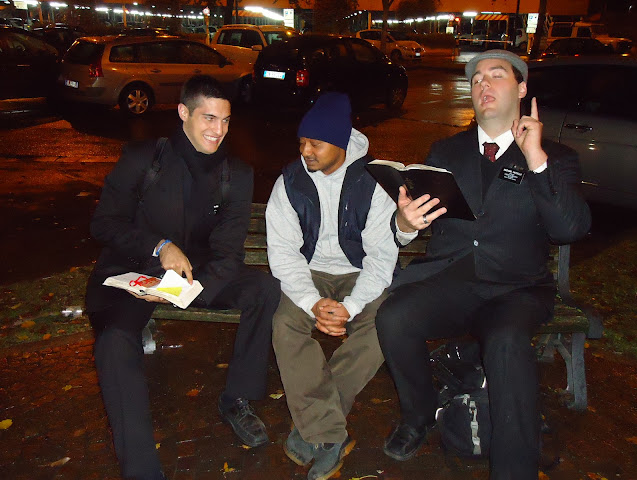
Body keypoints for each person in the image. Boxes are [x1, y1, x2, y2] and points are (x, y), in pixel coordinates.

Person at [375, 50, 592, 479]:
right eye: (476, 80)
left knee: (507, 341)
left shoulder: (555, 156)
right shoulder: (445, 151)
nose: (483, 85)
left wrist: (536, 160)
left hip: (516, 288)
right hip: (452, 279)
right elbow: (413, 223)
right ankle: (419, 415)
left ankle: (514, 469)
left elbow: (570, 229)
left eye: (496, 75)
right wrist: (404, 223)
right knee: (394, 317)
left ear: (522, 88)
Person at [85, 75, 280, 480]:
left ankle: (237, 398)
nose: (218, 130)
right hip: (134, 270)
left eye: (226, 120)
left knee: (264, 289)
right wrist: (159, 245)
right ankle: (142, 470)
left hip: (198, 276)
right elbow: (105, 223)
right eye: (209, 118)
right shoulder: (144, 158)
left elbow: (228, 252)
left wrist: (179, 289)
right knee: (114, 341)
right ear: (183, 113)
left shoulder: (236, 174)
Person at [266, 92, 399, 480]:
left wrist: (350, 307)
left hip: (359, 272)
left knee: (382, 325)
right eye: (302, 142)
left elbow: (381, 258)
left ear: (340, 142)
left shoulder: (374, 182)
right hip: (309, 273)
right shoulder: (290, 182)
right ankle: (329, 433)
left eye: (315, 144)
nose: (305, 151)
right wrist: (312, 302)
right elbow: (283, 253)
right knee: (285, 325)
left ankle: (316, 423)